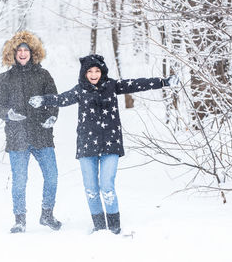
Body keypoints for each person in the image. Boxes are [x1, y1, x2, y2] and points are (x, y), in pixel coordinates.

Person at [29, 54, 179, 234]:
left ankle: (114, 227)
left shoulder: (112, 86)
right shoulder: (80, 90)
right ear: (84, 73)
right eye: (90, 71)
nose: (93, 74)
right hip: (87, 145)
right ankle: (99, 227)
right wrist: (43, 100)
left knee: (107, 187)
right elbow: (61, 99)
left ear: (102, 71)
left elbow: (138, 84)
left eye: (97, 70)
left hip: (110, 144)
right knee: (91, 189)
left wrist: (164, 82)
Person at [0, 31, 62, 233]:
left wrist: (51, 116)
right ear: (13, 53)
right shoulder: (4, 78)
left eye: (26, 50)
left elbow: (53, 99)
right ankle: (20, 219)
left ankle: (47, 214)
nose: (23, 53)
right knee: (20, 181)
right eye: (19, 50)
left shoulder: (43, 75)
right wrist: (8, 114)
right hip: (17, 138)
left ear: (33, 53)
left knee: (52, 177)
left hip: (42, 135)